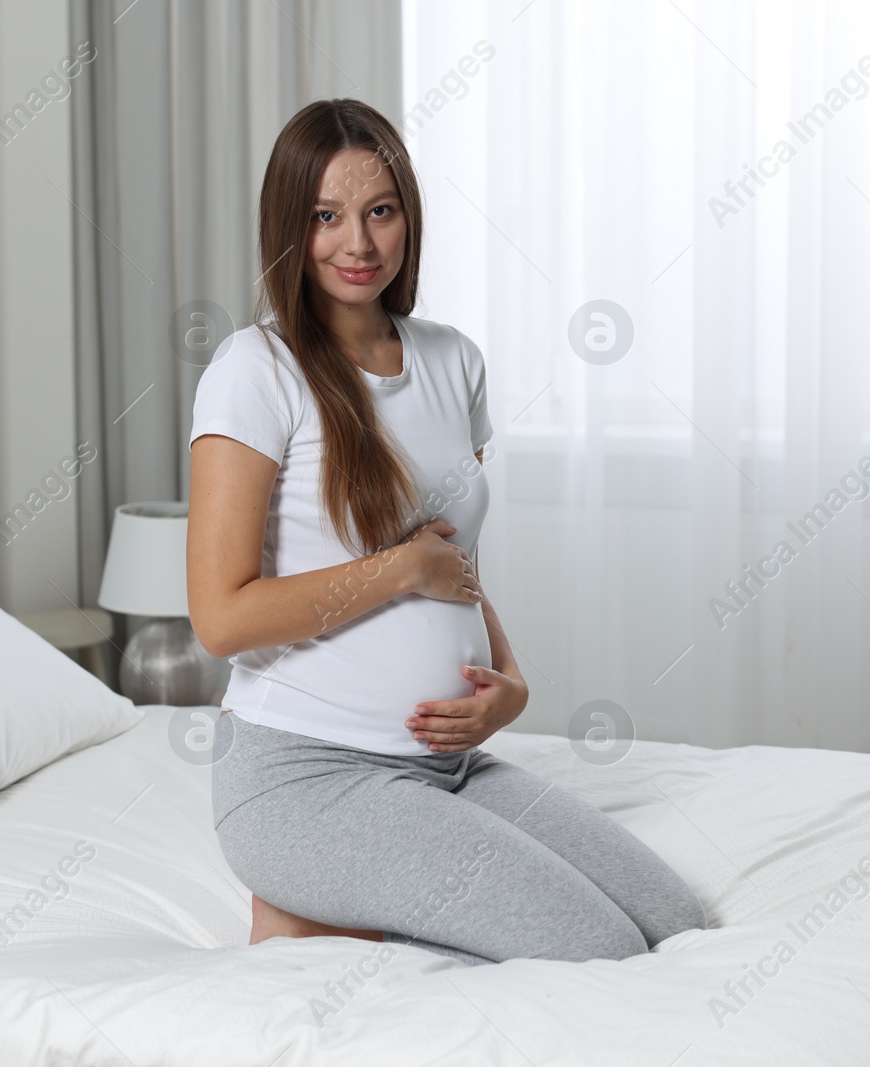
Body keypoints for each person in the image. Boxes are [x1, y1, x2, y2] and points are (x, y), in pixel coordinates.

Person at [186, 98, 704, 965]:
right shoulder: (254, 370)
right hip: (304, 775)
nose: (357, 242)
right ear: (289, 226)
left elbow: (452, 560)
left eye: (379, 211)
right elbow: (221, 618)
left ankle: (330, 906)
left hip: (444, 765)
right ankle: (314, 912)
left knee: (675, 921)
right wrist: (395, 572)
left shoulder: (451, 358)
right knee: (598, 946)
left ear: (408, 218)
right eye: (325, 216)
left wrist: (511, 680)